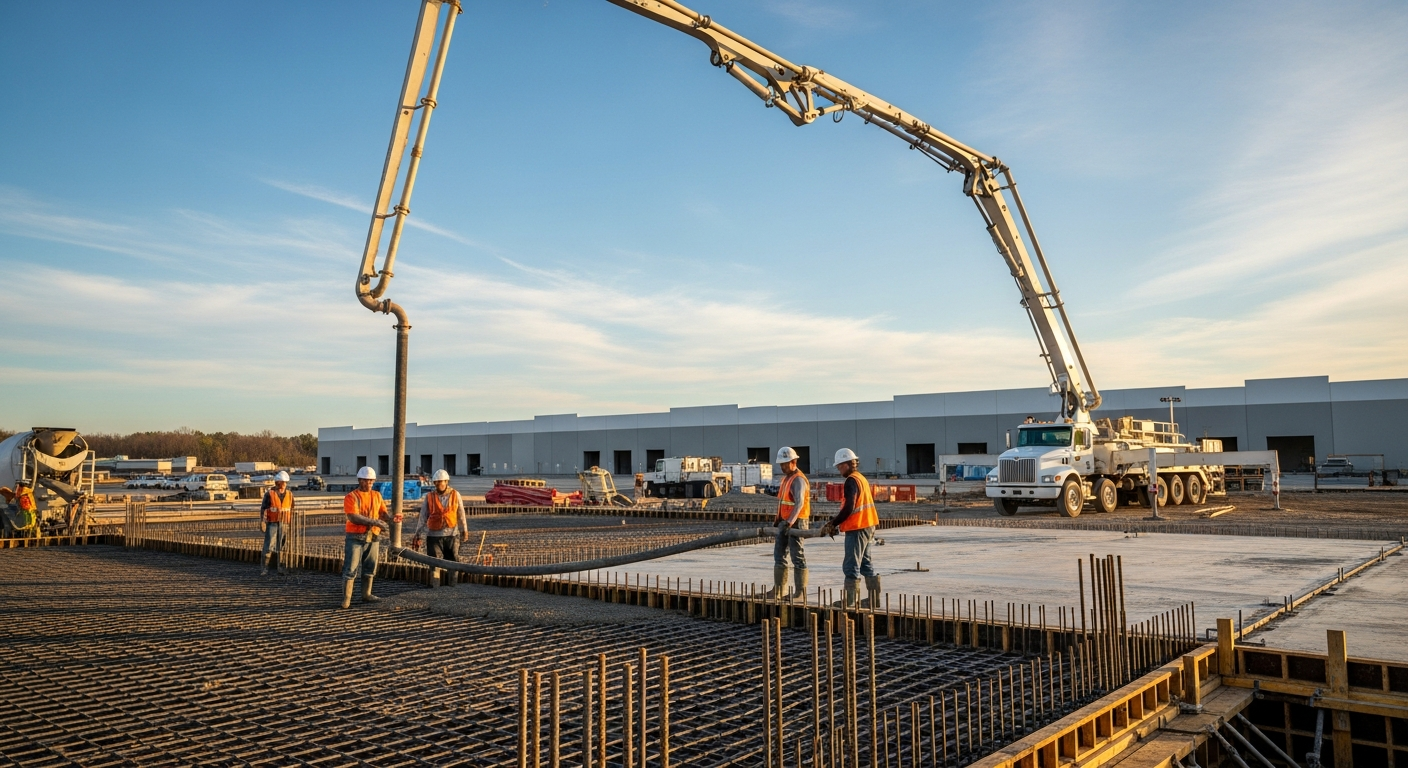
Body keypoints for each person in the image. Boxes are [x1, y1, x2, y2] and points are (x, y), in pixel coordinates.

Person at [820, 448, 880, 609]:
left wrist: (833, 523)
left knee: (851, 564)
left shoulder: (851, 481)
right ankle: (874, 599)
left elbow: (849, 507)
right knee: (865, 563)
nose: (839, 470)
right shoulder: (861, 478)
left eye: (840, 467)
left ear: (847, 464)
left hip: (858, 527)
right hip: (868, 525)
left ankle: (850, 601)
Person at [341, 466, 401, 609]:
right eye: (366, 481)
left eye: (371, 481)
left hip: (372, 536)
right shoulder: (351, 497)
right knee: (351, 568)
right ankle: (346, 599)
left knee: (370, 567)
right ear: (360, 480)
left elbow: (382, 514)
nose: (369, 484)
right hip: (355, 536)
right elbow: (353, 517)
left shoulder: (376, 495)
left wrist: (391, 518)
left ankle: (366, 595)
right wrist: (374, 522)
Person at [411, 469, 468, 586]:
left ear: (446, 481)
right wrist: (418, 533)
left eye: (440, 482)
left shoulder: (455, 494)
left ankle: (453, 586)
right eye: (436, 482)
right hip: (433, 535)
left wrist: (464, 530)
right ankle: (435, 587)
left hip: (452, 535)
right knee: (434, 563)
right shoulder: (429, 497)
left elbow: (461, 514)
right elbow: (423, 516)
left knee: (453, 562)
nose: (438, 484)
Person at [767, 446, 809, 599]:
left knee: (797, 556)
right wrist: (778, 520)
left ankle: (800, 592)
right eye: (781, 464)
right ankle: (778, 590)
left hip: (797, 521)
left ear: (794, 461)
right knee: (779, 555)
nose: (783, 467)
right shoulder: (786, 479)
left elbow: (799, 503)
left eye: (785, 464)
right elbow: (782, 502)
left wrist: (790, 522)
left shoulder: (798, 479)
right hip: (785, 522)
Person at [260, 471, 294, 576]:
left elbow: (291, 508)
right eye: (282, 482)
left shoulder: (289, 494)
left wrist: (290, 523)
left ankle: (281, 568)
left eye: (285, 483)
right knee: (269, 546)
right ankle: (265, 568)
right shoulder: (270, 494)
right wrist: (262, 521)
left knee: (282, 546)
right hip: (272, 523)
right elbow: (263, 508)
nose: (284, 485)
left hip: (284, 523)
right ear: (277, 482)